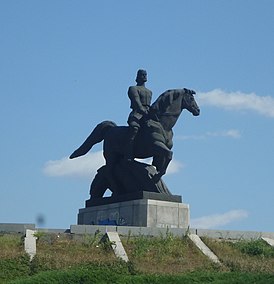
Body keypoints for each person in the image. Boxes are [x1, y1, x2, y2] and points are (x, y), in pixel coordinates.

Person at [125, 69, 152, 161]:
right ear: (137, 77)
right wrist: (142, 110)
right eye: (142, 75)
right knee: (134, 129)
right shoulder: (133, 89)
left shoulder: (149, 91)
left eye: (145, 75)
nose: (144, 76)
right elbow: (136, 101)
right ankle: (128, 153)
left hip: (148, 114)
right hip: (137, 114)